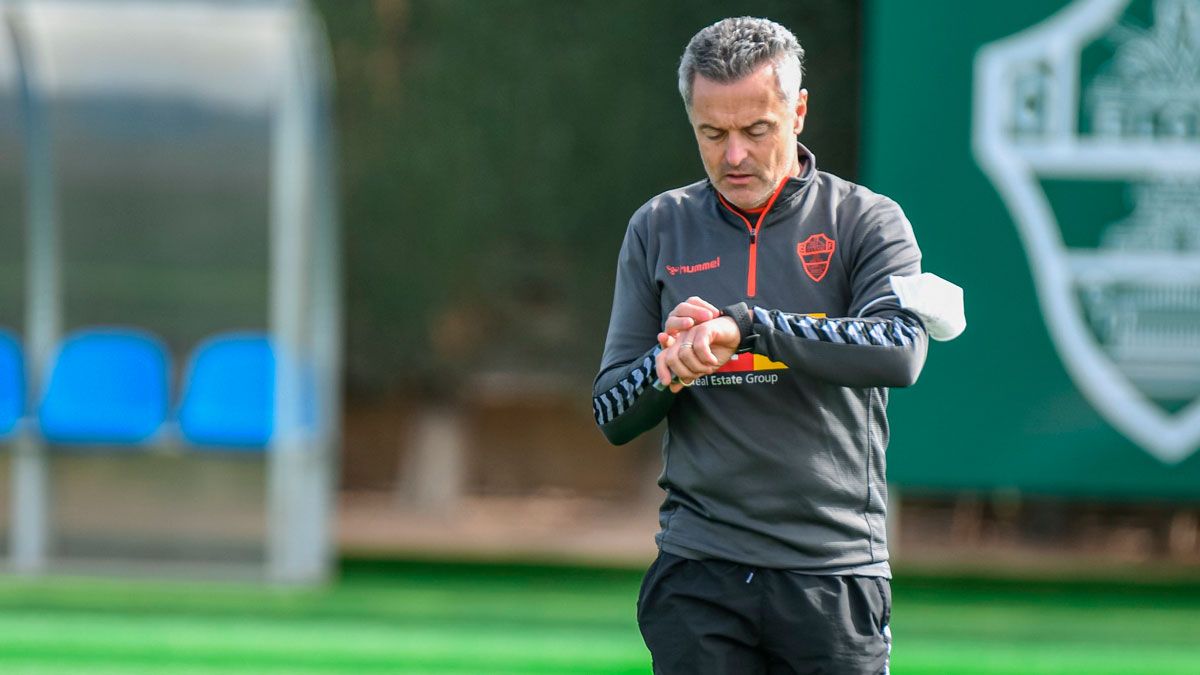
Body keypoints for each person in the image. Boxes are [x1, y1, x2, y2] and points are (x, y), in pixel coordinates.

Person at [592, 16, 928, 675]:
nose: (734, 156)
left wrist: (747, 325)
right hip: (699, 573)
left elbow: (899, 350)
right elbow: (611, 410)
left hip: (833, 571)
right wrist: (671, 365)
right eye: (712, 134)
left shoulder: (865, 220)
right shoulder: (659, 226)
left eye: (756, 130)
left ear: (797, 112)